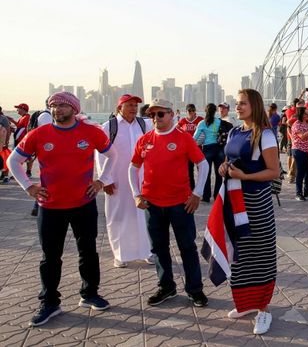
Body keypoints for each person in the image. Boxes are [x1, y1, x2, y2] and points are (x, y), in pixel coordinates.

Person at [7, 92, 116, 326]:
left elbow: (112, 155)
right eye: (53, 105)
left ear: (74, 109)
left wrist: (101, 181)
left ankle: (90, 294)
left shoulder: (92, 132)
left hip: (83, 204)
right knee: (50, 257)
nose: (57, 109)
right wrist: (28, 186)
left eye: (63, 105)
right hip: (50, 206)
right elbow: (12, 161)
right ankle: (49, 302)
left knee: (88, 252)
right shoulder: (39, 134)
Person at [128, 99, 209, 308]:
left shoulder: (183, 138)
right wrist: (136, 194)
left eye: (160, 114)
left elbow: (203, 164)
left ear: (171, 114)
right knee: (158, 248)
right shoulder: (144, 139)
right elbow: (133, 167)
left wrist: (197, 194)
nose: (156, 118)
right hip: (152, 204)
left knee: (187, 247)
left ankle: (195, 289)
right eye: (152, 115)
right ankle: (166, 287)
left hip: (180, 204)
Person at [218, 89, 279, 335]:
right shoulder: (234, 131)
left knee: (260, 253)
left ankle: (263, 309)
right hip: (235, 200)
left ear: (254, 105)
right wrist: (224, 167)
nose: (238, 107)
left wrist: (245, 176)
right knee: (240, 253)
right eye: (237, 103)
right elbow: (230, 158)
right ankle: (246, 303)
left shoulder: (265, 135)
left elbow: (274, 171)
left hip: (256, 202)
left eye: (243, 103)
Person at [97, 94, 154, 268]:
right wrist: (105, 179)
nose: (133, 108)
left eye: (135, 105)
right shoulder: (109, 127)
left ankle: (146, 251)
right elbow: (99, 154)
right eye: (129, 105)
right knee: (118, 216)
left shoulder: (144, 125)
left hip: (141, 179)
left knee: (142, 216)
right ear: (119, 107)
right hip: (117, 180)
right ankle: (120, 254)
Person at [194, 103, 225, 202]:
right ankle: (217, 196)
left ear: (205, 111)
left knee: (206, 173)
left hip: (207, 149)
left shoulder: (202, 123)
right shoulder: (219, 122)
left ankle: (206, 196)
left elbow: (194, 138)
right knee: (219, 173)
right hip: (219, 149)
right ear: (215, 111)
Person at [177, 104, 203, 189]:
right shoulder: (183, 121)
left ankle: (201, 188)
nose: (191, 112)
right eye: (189, 110)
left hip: (198, 147)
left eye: (193, 110)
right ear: (186, 111)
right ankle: (191, 189)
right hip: (187, 149)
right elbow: (176, 130)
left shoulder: (200, 120)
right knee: (189, 170)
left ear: (195, 111)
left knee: (201, 169)